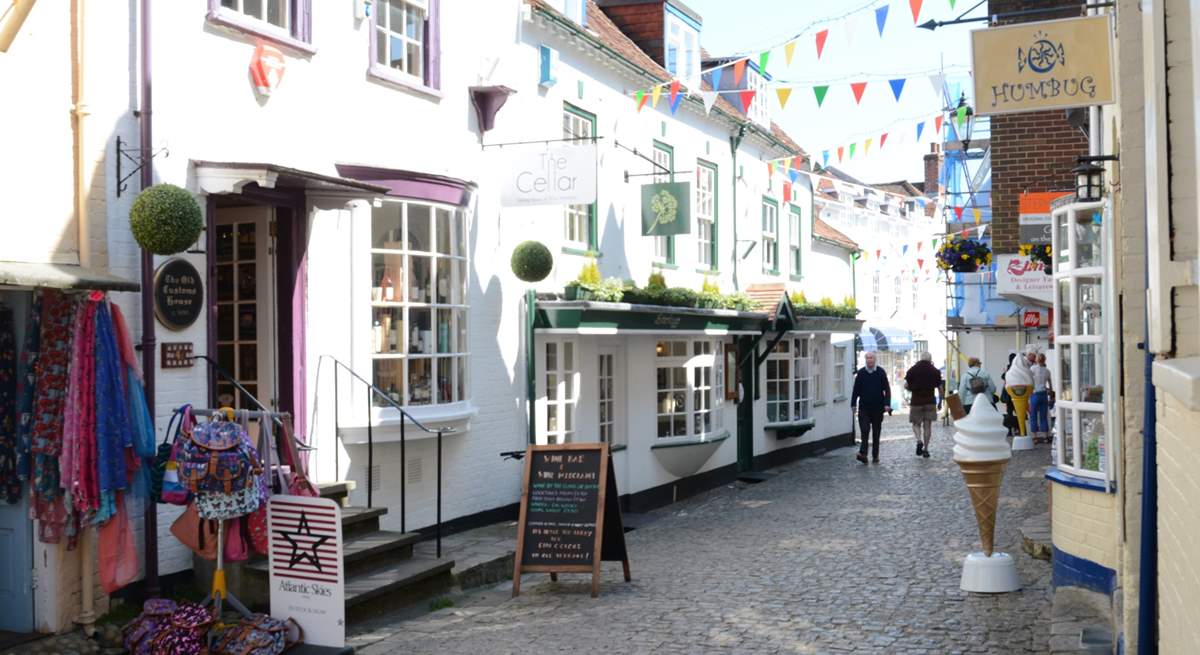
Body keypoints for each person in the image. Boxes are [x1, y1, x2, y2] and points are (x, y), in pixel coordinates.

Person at [851, 352, 891, 464]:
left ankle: (875, 455)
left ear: (875, 359)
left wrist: (887, 403)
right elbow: (856, 390)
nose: (869, 360)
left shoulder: (880, 372)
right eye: (867, 358)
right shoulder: (861, 373)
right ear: (865, 360)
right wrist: (853, 404)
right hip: (864, 407)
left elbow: (887, 390)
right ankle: (863, 453)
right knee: (864, 429)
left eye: (871, 358)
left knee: (876, 432)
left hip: (878, 407)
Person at [904, 352, 944, 458]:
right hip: (930, 402)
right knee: (927, 426)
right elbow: (940, 389)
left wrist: (911, 388)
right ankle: (926, 449)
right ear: (930, 359)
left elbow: (906, 385)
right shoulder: (935, 371)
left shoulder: (912, 370)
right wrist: (940, 401)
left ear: (920, 358)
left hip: (916, 401)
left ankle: (919, 440)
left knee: (916, 424)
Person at [1029, 352, 1052, 443]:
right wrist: (1050, 391)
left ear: (1036, 359)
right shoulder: (1047, 371)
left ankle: (1034, 437)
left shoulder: (1032, 369)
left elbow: (1029, 380)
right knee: (1043, 416)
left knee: (1033, 415)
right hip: (1043, 394)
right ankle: (1045, 436)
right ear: (1044, 360)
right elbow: (1050, 384)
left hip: (1034, 394)